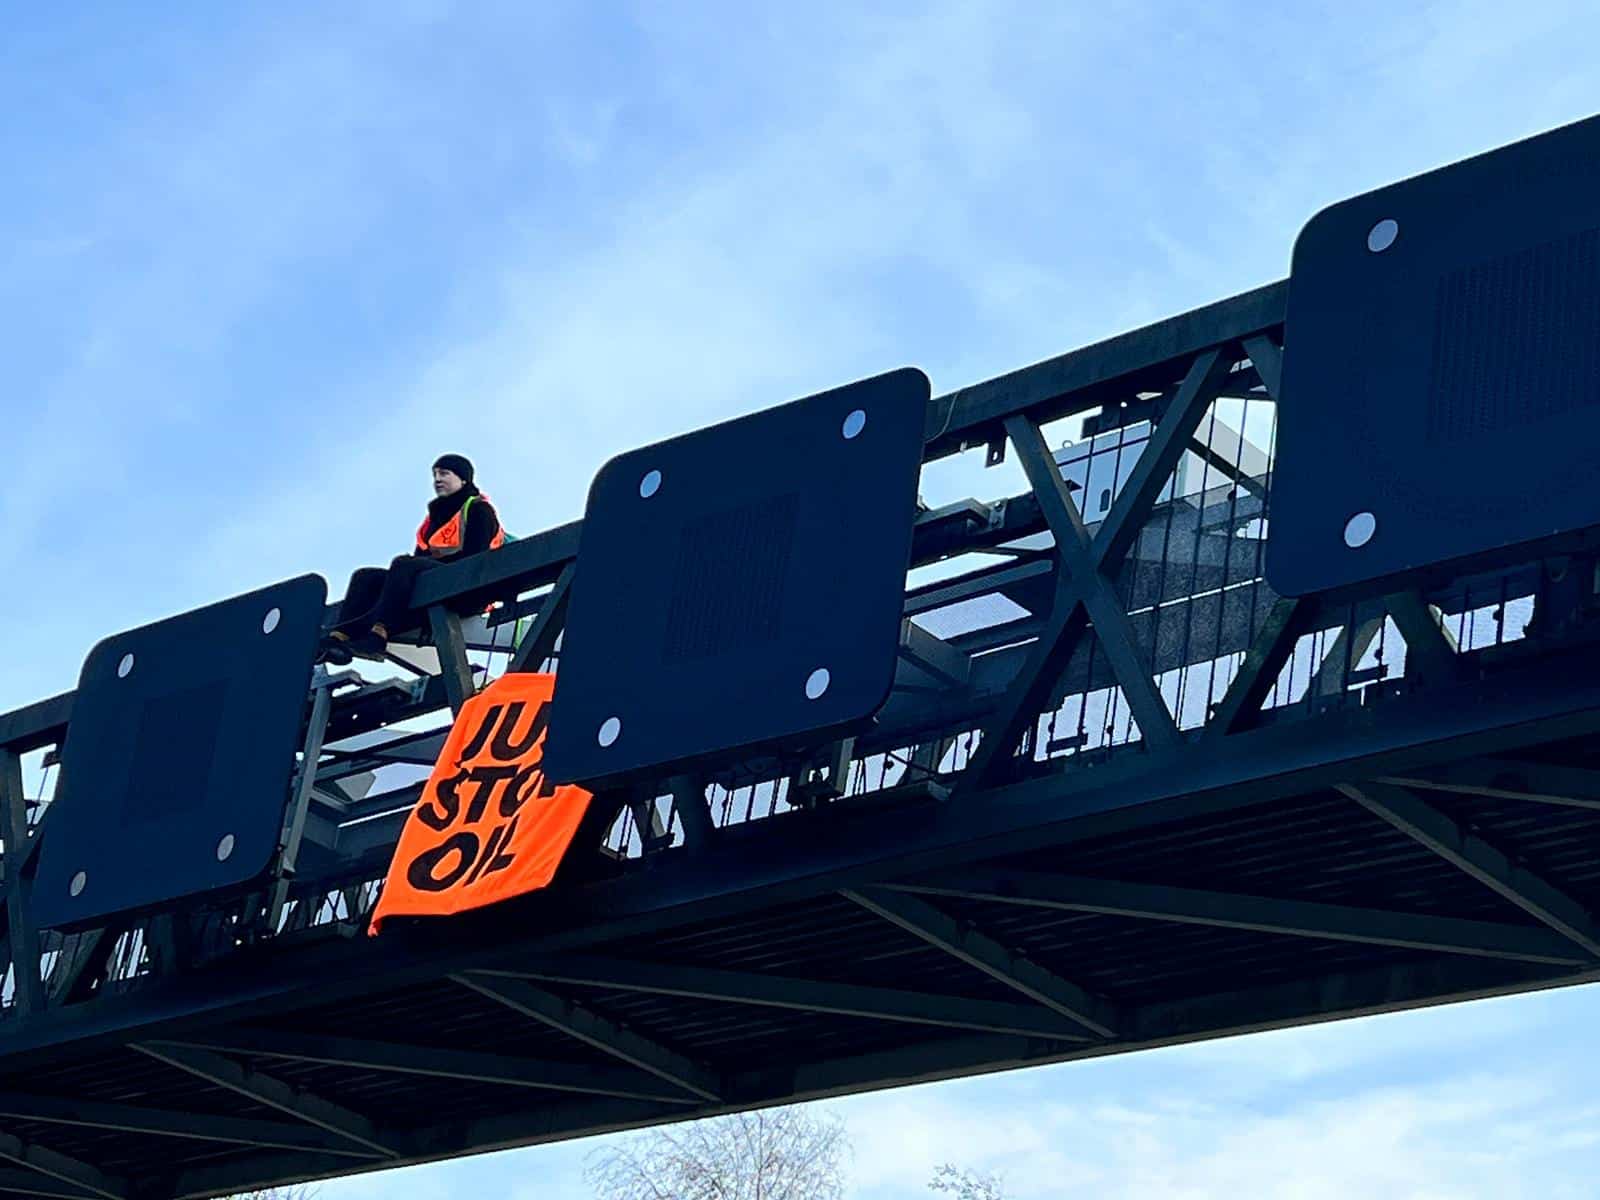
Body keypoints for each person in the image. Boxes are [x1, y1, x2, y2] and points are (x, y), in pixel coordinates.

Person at [323, 454, 505, 663]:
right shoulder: (433, 520)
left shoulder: (478, 509)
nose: (437, 479)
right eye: (435, 474)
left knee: (404, 565)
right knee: (366, 577)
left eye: (444, 473)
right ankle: (340, 637)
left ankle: (379, 634)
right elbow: (418, 561)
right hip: (435, 585)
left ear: (463, 479)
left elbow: (476, 558)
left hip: (468, 589)